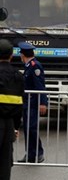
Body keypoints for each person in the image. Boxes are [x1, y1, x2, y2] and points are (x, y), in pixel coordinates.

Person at [17, 42, 47, 163]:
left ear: (22, 54)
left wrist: (42, 102)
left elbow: (40, 85)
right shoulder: (28, 65)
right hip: (27, 102)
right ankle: (29, 154)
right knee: (27, 128)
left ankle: (38, 153)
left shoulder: (35, 66)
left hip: (34, 102)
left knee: (32, 128)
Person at [0, 39, 24, 180]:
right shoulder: (17, 75)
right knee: (4, 163)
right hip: (8, 125)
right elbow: (19, 104)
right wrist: (16, 127)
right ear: (11, 56)